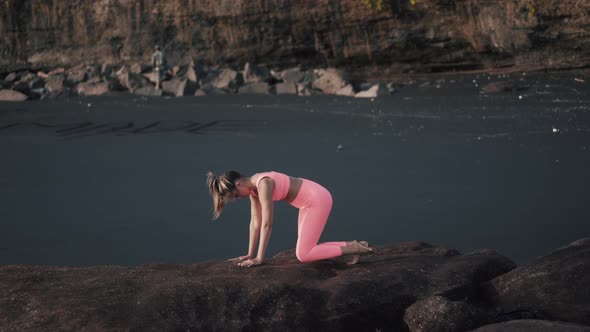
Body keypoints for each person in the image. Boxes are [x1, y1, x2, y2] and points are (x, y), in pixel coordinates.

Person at [206, 170, 374, 267]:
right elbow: (255, 223)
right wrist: (250, 254)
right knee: (307, 248)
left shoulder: (263, 184)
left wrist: (259, 258)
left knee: (304, 254)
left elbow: (267, 224)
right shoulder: (254, 190)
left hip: (317, 200)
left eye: (235, 195)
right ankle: (355, 245)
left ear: (239, 184)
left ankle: (354, 249)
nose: (238, 198)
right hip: (307, 203)